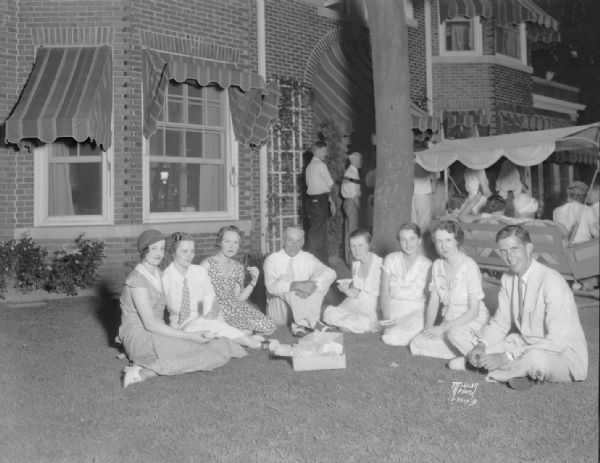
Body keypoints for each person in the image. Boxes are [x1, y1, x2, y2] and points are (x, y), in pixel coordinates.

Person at [118, 230, 246, 388]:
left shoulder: (158, 273)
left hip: (158, 332)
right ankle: (144, 372)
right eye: (153, 248)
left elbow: (203, 301)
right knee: (203, 354)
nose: (158, 253)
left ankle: (143, 362)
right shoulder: (136, 280)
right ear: (144, 250)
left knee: (212, 349)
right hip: (142, 335)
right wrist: (189, 336)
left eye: (161, 248)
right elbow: (149, 324)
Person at [467, 225, 588, 390]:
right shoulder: (507, 278)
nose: (509, 257)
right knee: (485, 349)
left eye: (514, 249)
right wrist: (482, 345)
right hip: (526, 344)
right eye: (503, 251)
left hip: (562, 354)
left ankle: (511, 370)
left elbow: (558, 342)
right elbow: (500, 323)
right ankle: (520, 372)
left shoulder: (552, 281)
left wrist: (507, 356)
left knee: (535, 358)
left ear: (529, 248)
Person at [409, 221, 490, 369]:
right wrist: (428, 328)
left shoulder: (469, 266)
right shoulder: (437, 266)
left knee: (453, 334)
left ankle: (482, 357)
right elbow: (433, 302)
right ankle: (466, 357)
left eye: (448, 240)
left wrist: (444, 329)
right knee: (417, 342)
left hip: (472, 322)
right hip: (449, 322)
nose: (443, 246)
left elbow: (474, 311)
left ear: (457, 241)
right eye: (439, 241)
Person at [161, 232, 262, 349]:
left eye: (192, 251)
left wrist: (210, 314)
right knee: (213, 336)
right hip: (181, 327)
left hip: (202, 319)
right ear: (173, 253)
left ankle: (256, 343)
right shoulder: (165, 278)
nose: (189, 256)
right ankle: (247, 341)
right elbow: (157, 311)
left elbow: (210, 297)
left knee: (221, 331)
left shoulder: (198, 271)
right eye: (184, 251)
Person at [263, 226, 337, 337]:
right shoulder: (272, 259)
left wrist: (313, 285)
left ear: (303, 242)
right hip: (281, 312)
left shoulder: (307, 258)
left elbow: (331, 273)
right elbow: (271, 287)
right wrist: (296, 285)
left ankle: (300, 324)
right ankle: (313, 322)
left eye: (298, 241)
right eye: (290, 240)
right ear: (283, 240)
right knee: (286, 280)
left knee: (321, 282)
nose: (294, 245)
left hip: (302, 305)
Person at [201, 226, 275, 335]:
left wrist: (253, 282)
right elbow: (198, 294)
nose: (231, 246)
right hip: (215, 309)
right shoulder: (207, 264)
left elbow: (239, 299)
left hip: (235, 308)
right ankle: (237, 334)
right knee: (246, 332)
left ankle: (237, 334)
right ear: (219, 242)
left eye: (235, 243)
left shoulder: (238, 268)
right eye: (227, 241)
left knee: (269, 327)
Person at [380, 223, 432, 346]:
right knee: (389, 336)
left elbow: (430, 298)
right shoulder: (391, 259)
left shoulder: (428, 264)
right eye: (403, 239)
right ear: (399, 241)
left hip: (416, 309)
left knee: (418, 329)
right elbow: (384, 293)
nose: (408, 244)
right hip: (393, 309)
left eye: (412, 239)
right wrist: (387, 320)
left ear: (419, 240)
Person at [323, 229, 383, 333]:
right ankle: (352, 324)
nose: (356, 250)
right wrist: (346, 290)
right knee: (330, 315)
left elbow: (390, 294)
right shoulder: (356, 263)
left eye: (361, 245)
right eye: (353, 246)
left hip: (372, 308)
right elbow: (355, 293)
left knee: (345, 326)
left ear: (369, 245)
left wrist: (383, 315)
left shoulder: (380, 264)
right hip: (356, 302)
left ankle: (368, 325)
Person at [305, 141, 336, 265]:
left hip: (312, 201)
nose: (326, 153)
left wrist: (330, 201)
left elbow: (310, 185)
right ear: (317, 151)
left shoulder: (309, 167)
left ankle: (321, 263)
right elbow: (330, 183)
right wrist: (331, 200)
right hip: (320, 201)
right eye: (324, 151)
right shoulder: (321, 165)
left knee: (317, 231)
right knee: (318, 234)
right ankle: (312, 263)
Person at [341, 151, 363, 264]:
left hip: (348, 202)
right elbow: (354, 194)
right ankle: (352, 260)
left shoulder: (352, 172)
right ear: (354, 160)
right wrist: (360, 209)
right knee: (353, 232)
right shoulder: (351, 173)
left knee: (350, 231)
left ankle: (350, 259)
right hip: (352, 203)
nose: (361, 162)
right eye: (360, 160)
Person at [411, 164, 438, 232]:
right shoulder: (427, 164)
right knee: (424, 224)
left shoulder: (412, 164)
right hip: (423, 196)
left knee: (414, 221)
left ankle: (415, 240)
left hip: (412, 196)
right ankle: (421, 241)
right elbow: (434, 180)